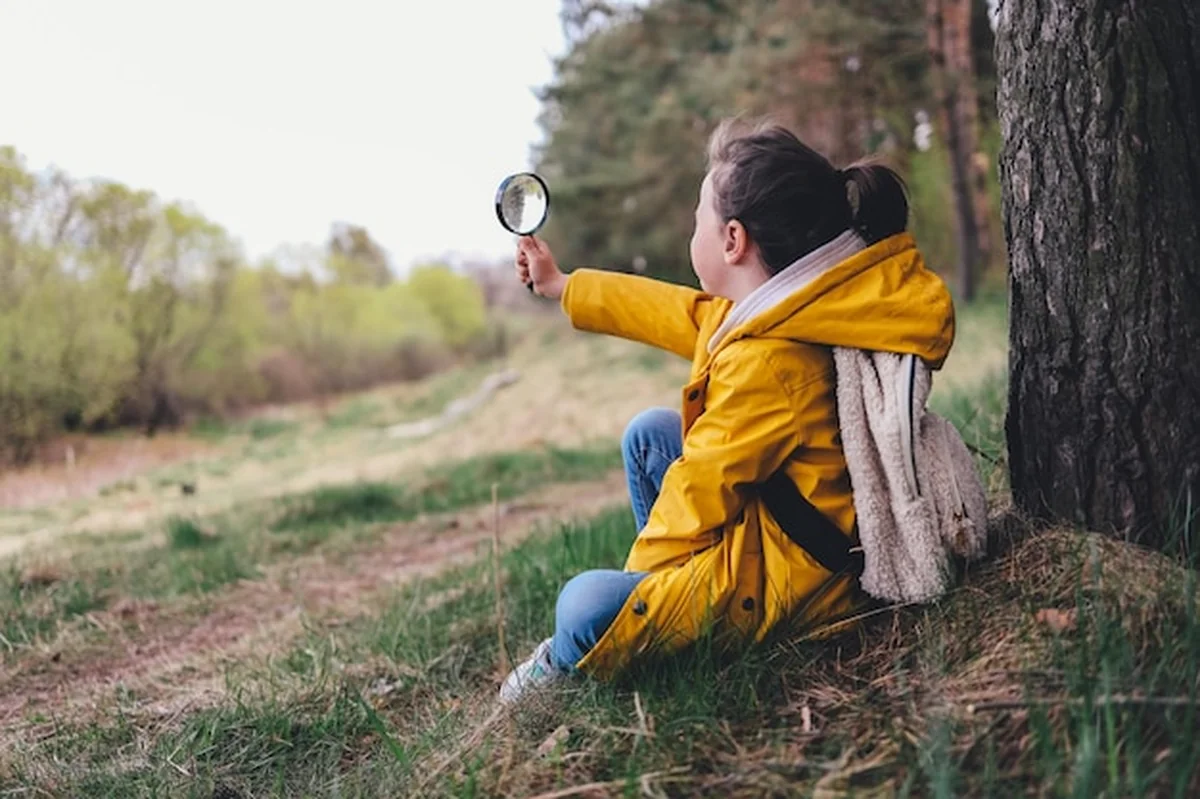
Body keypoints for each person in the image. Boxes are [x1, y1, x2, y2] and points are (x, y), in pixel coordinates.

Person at [499, 117, 955, 704]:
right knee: (650, 436)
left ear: (733, 240)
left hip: (791, 583)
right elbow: (674, 312)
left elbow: (698, 490)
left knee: (585, 606)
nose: (694, 230)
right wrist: (564, 285)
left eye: (698, 219)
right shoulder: (787, 308)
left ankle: (573, 666)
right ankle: (655, 614)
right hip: (778, 526)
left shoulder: (768, 362)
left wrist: (637, 601)